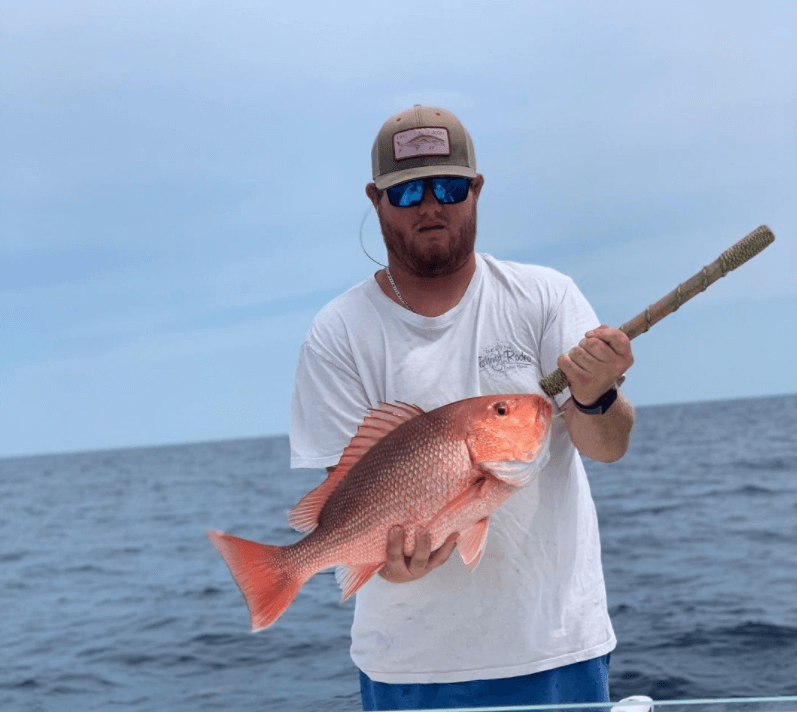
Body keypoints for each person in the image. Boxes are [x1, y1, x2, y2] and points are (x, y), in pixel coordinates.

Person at [289, 105, 635, 710]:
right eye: (407, 191)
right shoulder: (338, 333)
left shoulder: (544, 297)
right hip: (410, 668)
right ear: (375, 201)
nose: (430, 205)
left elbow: (608, 446)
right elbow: (349, 492)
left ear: (475, 190)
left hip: (556, 648)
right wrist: (389, 563)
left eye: (448, 186)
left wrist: (597, 394)